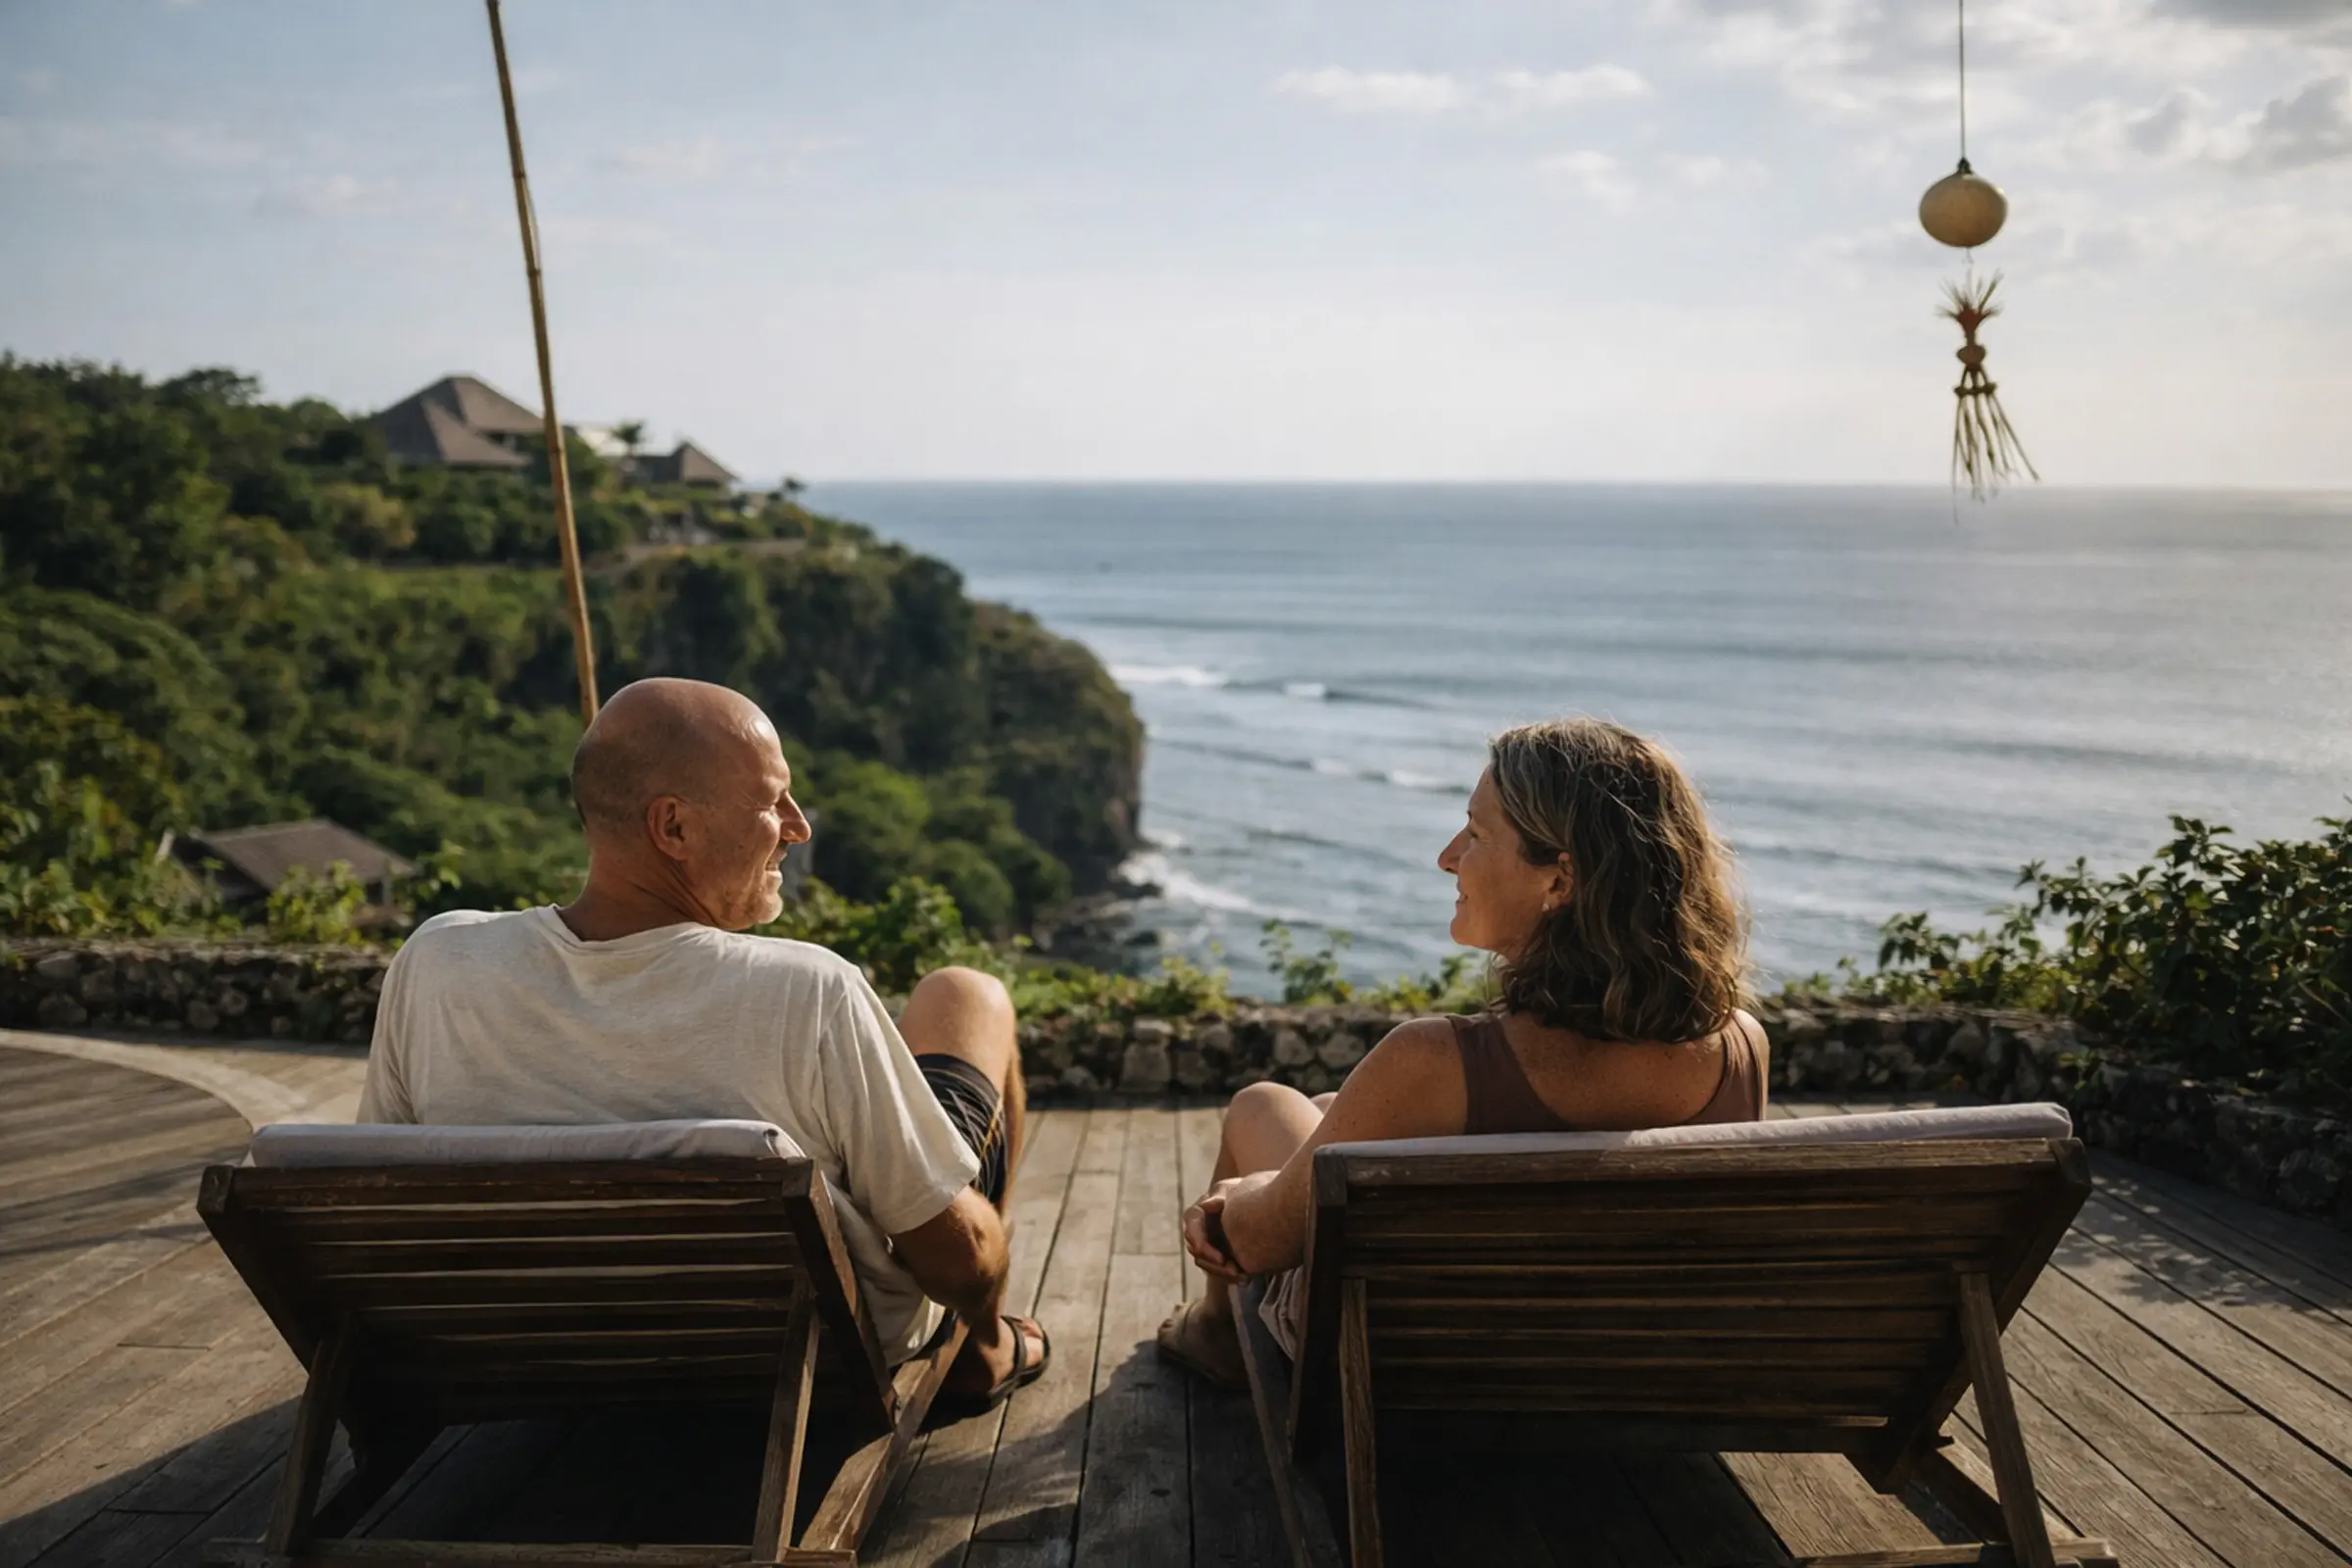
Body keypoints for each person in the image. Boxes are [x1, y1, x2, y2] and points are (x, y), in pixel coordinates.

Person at [358, 677, 1049, 1406]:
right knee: (966, 995)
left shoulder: (439, 960)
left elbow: (375, 1201)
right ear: (675, 829)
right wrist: (981, 1257)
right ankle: (985, 1348)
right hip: (804, 1361)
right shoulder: (807, 993)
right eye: (772, 801)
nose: (797, 826)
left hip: (516, 1345)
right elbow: (957, 1263)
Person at [1156, 716, 1763, 1387]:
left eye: (1475, 834)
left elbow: (1259, 1240)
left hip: (1428, 1373)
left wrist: (1242, 1198)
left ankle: (1215, 1334)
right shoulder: (1739, 1046)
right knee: (1334, 1116)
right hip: (1632, 1372)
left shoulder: (1433, 1063)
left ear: (1558, 883)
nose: (1448, 856)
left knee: (1262, 1104)